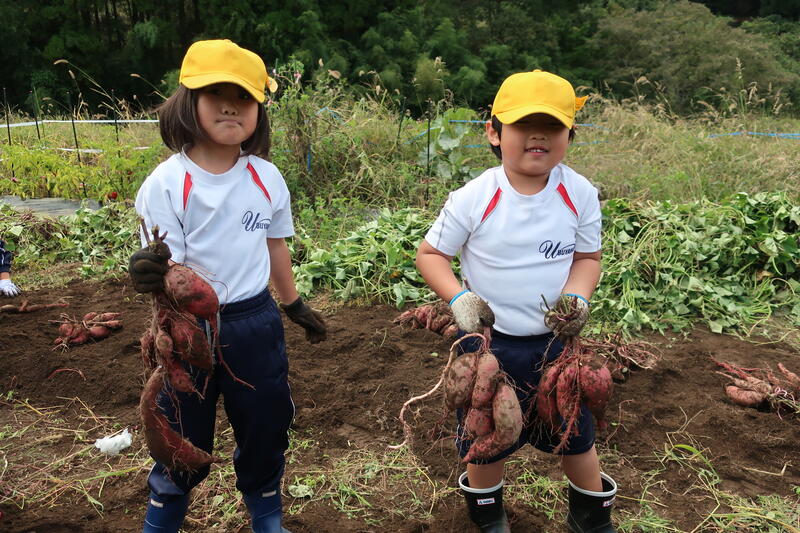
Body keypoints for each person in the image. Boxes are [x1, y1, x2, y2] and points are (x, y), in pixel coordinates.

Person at [128, 39, 327, 533]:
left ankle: (267, 516)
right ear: (188, 102)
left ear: (259, 110)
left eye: (245, 97)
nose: (231, 106)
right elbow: (164, 265)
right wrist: (146, 271)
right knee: (178, 429)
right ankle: (163, 517)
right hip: (185, 329)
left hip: (254, 323)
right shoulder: (168, 182)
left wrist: (294, 304)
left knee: (266, 423)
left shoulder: (266, 178)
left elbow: (275, 247)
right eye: (216, 93)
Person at [416, 70, 617, 533]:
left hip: (556, 347)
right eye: (524, 124)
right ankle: (489, 518)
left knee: (575, 435)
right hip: (488, 347)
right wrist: (460, 298)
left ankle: (591, 519)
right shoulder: (475, 197)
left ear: (570, 135)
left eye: (552, 126)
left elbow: (587, 259)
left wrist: (576, 297)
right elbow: (430, 255)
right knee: (486, 436)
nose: (538, 136)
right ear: (494, 132)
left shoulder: (579, 193)